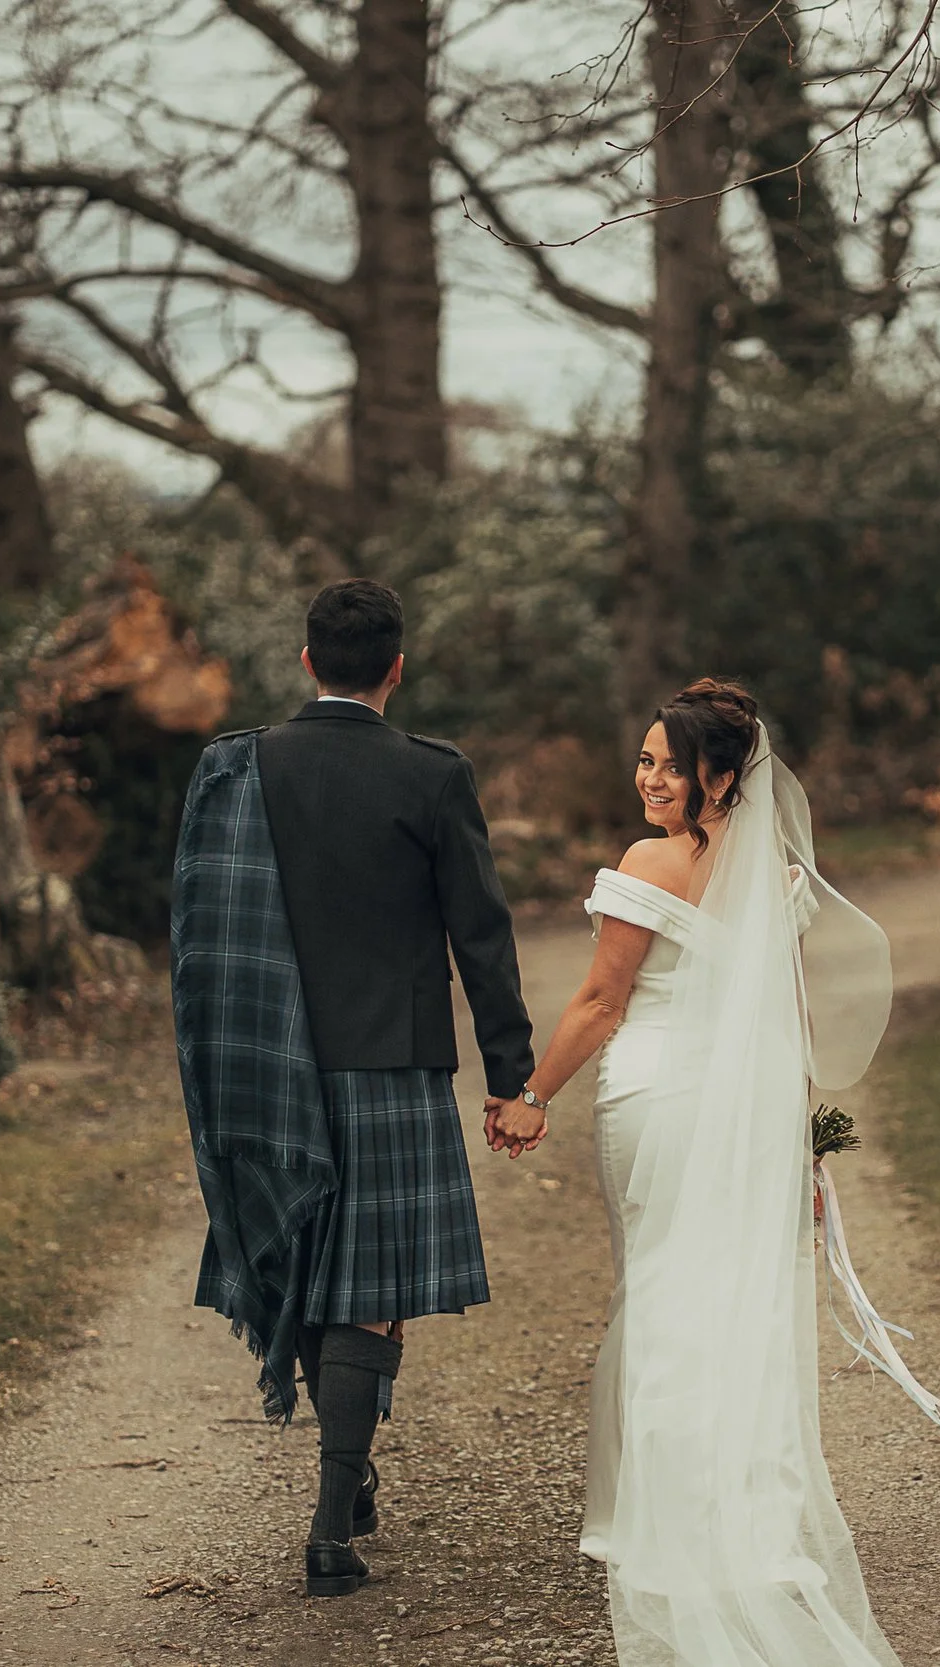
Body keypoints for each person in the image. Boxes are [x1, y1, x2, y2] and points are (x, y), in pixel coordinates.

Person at [492, 679, 940, 1666]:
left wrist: (532, 1094)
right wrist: (793, 1135)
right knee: (721, 1301)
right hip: (742, 1105)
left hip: (655, 1095)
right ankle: (732, 1505)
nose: (650, 777)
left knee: (660, 1295)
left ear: (721, 774)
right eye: (643, 759)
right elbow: (784, 1018)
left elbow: (598, 999)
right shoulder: (775, 876)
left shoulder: (647, 862)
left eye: (670, 763)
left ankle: (670, 1516)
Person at [171, 577, 534, 1600]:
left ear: (304, 661)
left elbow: (203, 937)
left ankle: (349, 1478)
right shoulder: (432, 775)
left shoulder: (235, 769)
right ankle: (333, 1520)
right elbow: (482, 934)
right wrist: (513, 1075)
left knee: (320, 1271)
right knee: (369, 1289)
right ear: (396, 667)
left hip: (269, 1065)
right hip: (393, 1061)